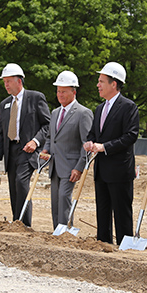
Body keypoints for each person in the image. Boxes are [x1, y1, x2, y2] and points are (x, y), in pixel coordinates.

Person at [83, 62, 139, 245]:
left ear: (114, 84)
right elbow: (93, 133)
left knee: (122, 213)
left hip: (120, 170)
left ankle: (125, 247)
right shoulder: (99, 109)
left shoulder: (128, 107)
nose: (98, 85)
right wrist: (90, 142)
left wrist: (104, 147)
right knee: (103, 211)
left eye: (101, 81)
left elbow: (130, 136)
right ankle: (103, 244)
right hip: (101, 170)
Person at [0, 64, 50, 227]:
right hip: (10, 151)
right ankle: (16, 222)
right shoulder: (4, 104)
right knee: (13, 188)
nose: (6, 85)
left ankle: (24, 225)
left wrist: (35, 141)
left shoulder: (36, 98)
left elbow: (47, 125)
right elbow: (1, 133)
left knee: (21, 184)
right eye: (5, 82)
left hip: (28, 151)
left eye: (8, 81)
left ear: (19, 81)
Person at [41, 71, 93, 229]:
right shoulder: (55, 113)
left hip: (71, 166)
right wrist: (46, 150)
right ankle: (57, 231)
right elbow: (51, 138)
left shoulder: (83, 113)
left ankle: (66, 231)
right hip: (55, 166)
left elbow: (87, 144)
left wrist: (79, 167)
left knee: (64, 198)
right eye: (58, 91)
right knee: (56, 201)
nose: (60, 94)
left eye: (64, 91)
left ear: (74, 92)